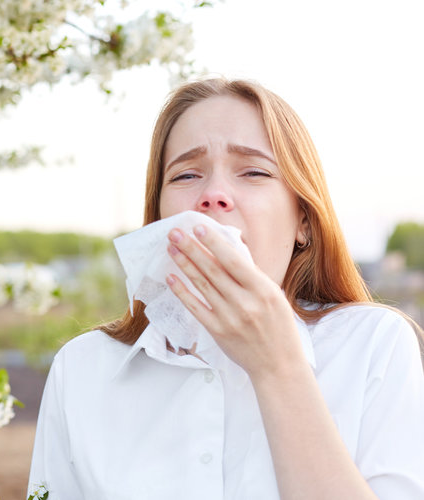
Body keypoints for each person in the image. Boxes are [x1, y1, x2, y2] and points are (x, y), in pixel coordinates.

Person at [27, 78, 424, 500]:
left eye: (253, 171)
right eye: (186, 174)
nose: (213, 195)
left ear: (303, 221)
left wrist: (278, 368)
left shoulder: (374, 344)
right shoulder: (82, 369)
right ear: (158, 215)